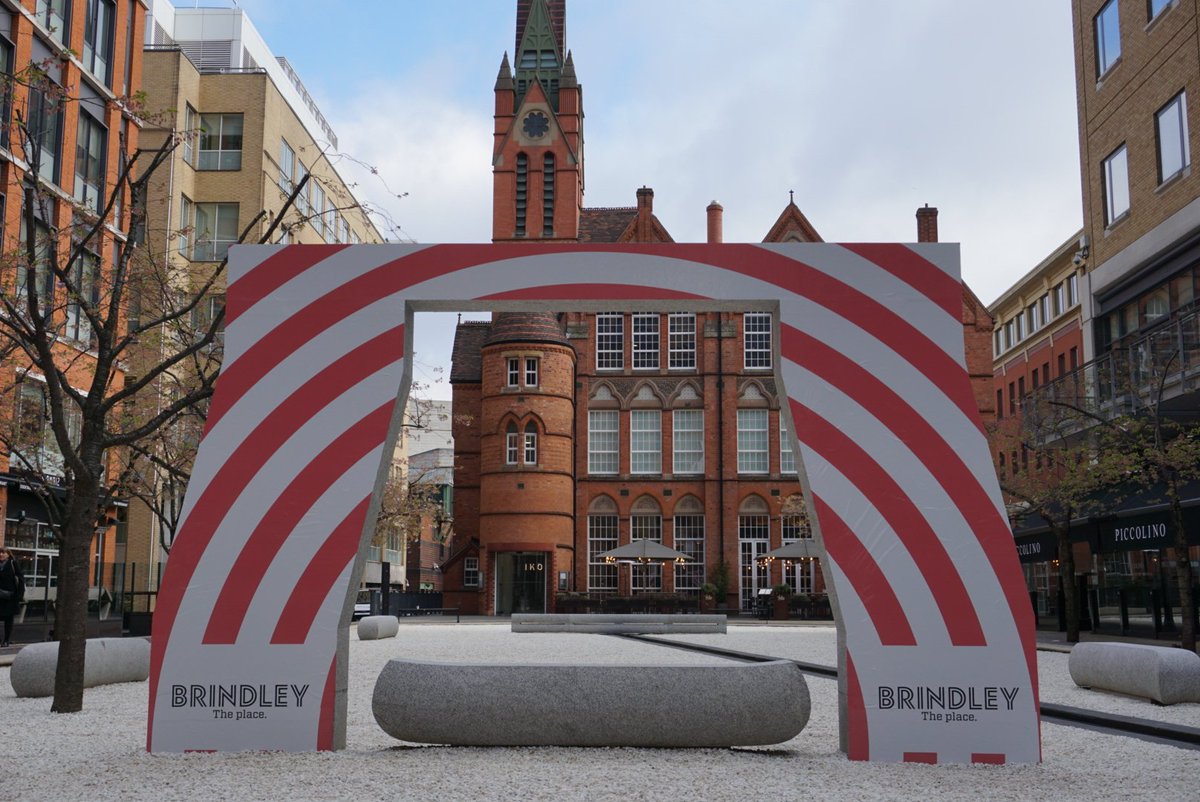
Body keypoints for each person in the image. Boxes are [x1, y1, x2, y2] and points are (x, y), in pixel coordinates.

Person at [0, 546, 25, 647]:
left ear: (8, 554)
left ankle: (6, 640)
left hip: (10, 596)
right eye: (0, 553)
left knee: (8, 620)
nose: (1, 555)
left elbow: (20, 579)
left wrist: (19, 595)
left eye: (3, 553)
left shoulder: (13, 563)